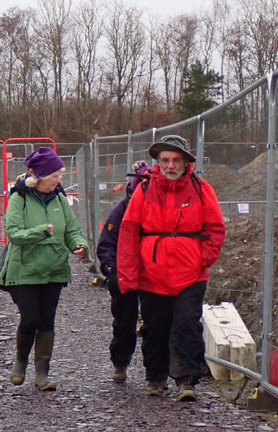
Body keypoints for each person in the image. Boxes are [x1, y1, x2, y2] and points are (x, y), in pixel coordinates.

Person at [117, 135, 225, 401]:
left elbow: (215, 228)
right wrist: (128, 277)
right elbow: (129, 233)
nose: (170, 165)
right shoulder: (143, 191)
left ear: (187, 162)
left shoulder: (202, 189)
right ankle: (156, 377)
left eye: (176, 160)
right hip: (152, 274)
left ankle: (186, 380)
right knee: (154, 327)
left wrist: (202, 260)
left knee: (187, 324)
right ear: (157, 161)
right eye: (165, 160)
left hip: (191, 274)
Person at [0, 147, 88, 391]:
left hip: (53, 270)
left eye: (59, 175)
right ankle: (20, 361)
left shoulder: (59, 198)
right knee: (31, 318)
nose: (59, 180)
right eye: (54, 176)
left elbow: (72, 229)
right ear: (37, 177)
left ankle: (42, 374)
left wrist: (80, 245)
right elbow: (14, 234)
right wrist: (41, 231)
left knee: (47, 320)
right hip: (24, 270)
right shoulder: (19, 198)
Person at [96, 160, 149, 384]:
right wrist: (111, 269)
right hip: (124, 274)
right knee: (124, 322)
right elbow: (106, 243)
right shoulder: (122, 210)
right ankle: (120, 363)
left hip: (152, 272)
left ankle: (155, 370)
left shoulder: (157, 206)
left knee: (155, 322)